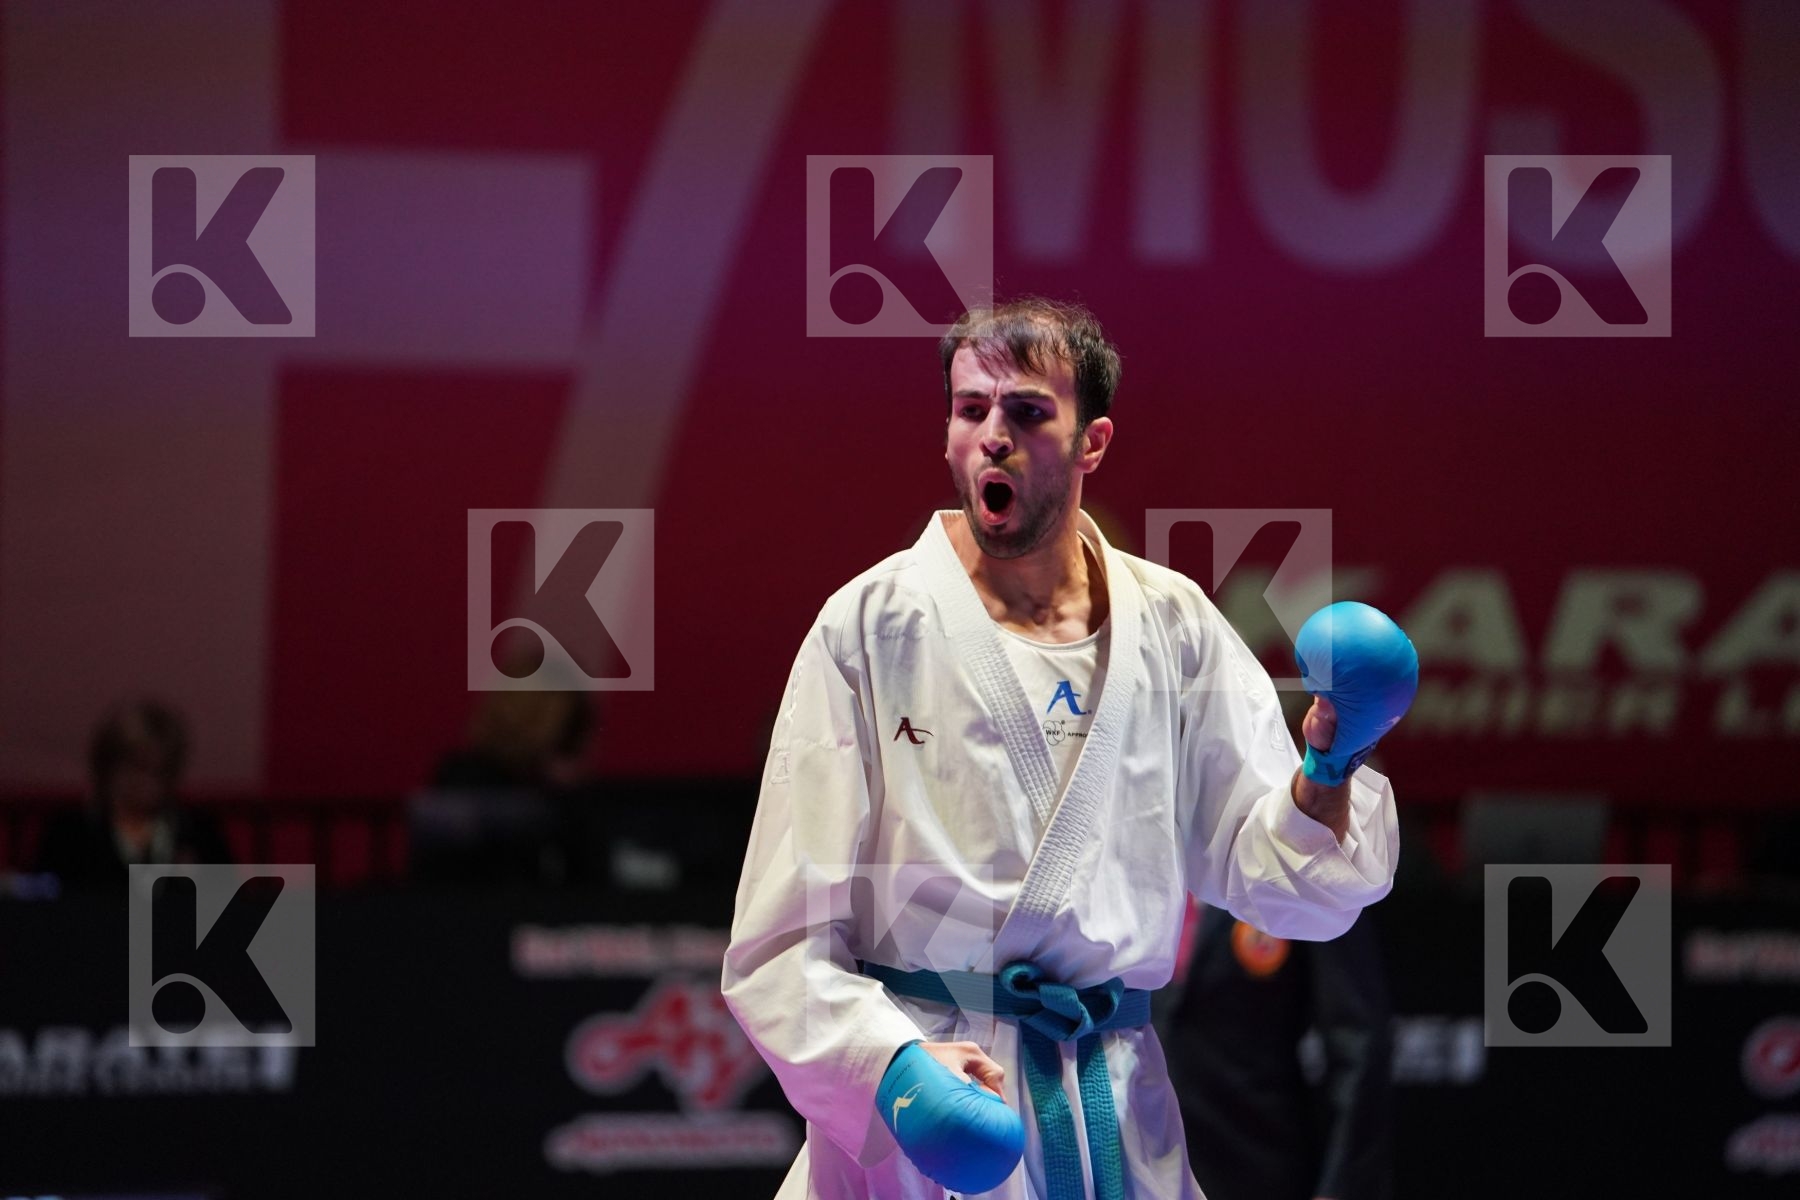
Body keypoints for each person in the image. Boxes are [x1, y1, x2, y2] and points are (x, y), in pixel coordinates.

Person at [722, 297, 1403, 1199]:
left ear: (1093, 442)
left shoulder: (1175, 627)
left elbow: (1282, 886)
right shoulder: (870, 628)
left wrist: (1328, 768)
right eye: (971, 411)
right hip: (934, 1109)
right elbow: (776, 944)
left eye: (1028, 412)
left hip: (1114, 1108)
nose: (992, 436)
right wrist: (888, 1067)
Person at [1155, 902, 1394, 1200]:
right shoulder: (1139, 867)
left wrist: (1342, 1187)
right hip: (1145, 1158)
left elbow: (1357, 1042)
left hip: (1261, 1164)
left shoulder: (1301, 866)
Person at [35, 697, 231, 889]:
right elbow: (39, 903)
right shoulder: (72, 834)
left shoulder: (197, 832)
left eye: (162, 769)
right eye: (138, 767)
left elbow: (233, 903)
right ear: (108, 766)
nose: (149, 781)